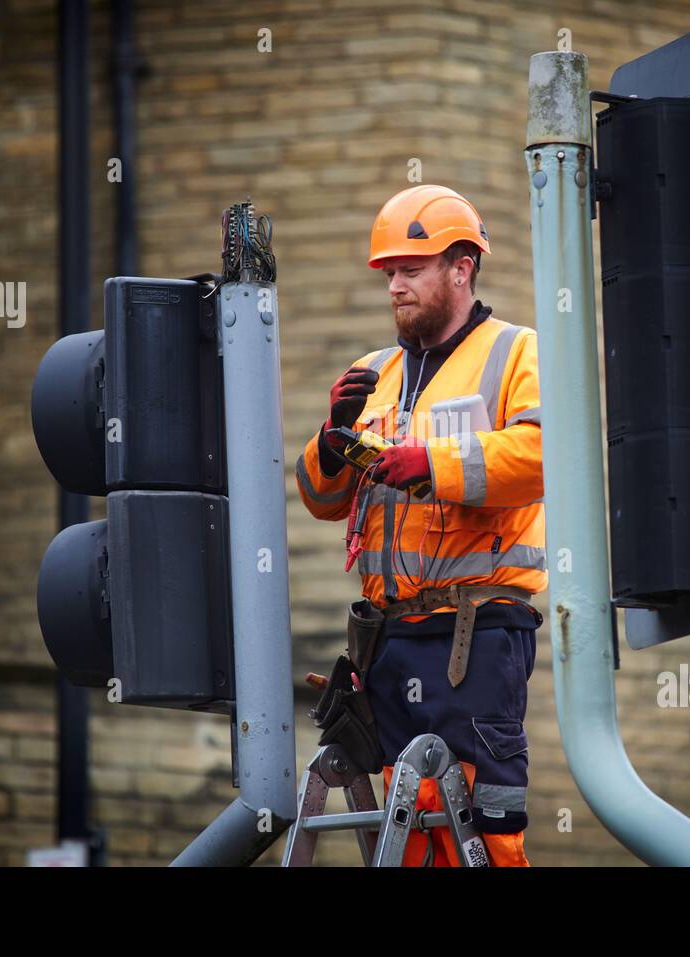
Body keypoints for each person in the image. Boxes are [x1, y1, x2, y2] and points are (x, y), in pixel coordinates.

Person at [295, 184, 546, 867]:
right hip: (388, 640)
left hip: (476, 634)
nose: (395, 286)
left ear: (461, 267)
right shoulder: (372, 373)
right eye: (389, 274)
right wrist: (330, 438)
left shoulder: (516, 353)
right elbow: (319, 495)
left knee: (480, 827)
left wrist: (431, 465)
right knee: (409, 833)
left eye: (411, 269)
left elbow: (543, 454)